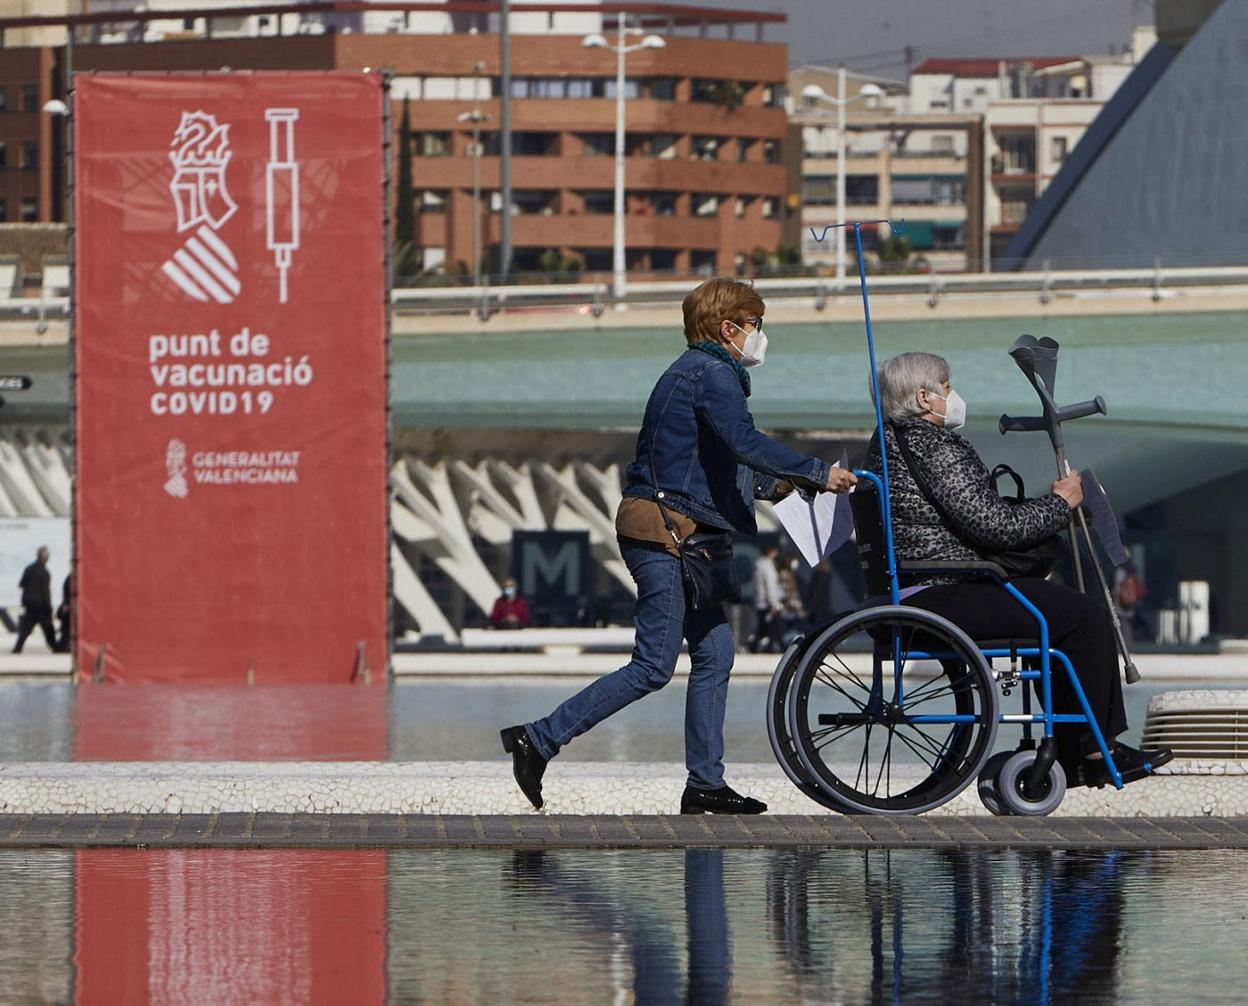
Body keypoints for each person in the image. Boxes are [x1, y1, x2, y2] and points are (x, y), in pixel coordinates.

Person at [501, 277, 856, 814]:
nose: (760, 335)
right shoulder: (712, 373)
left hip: (682, 532)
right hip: (666, 533)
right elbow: (743, 444)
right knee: (653, 665)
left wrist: (787, 484)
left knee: (715, 653)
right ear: (726, 327)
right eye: (755, 324)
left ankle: (704, 784)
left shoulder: (702, 374)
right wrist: (814, 470)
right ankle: (539, 738)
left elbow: (718, 466)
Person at [866, 351, 1172, 787]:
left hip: (920, 583)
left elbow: (974, 517)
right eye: (948, 387)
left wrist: (1045, 509)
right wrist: (1060, 503)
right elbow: (995, 527)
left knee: (1060, 611)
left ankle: (1078, 746)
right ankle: (1091, 749)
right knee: (1082, 618)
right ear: (924, 398)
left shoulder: (889, 441)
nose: (955, 397)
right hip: (944, 588)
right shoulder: (932, 446)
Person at [13, 546, 56, 654]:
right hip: (41, 605)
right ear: (45, 558)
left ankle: (17, 648)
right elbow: (46, 593)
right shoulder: (45, 573)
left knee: (26, 629)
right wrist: (49, 608)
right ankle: (55, 647)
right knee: (48, 628)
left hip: (29, 603)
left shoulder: (29, 569)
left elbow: (21, 584)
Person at [749, 543, 784, 653]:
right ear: (770, 552)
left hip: (760, 602)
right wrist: (774, 603)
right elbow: (770, 586)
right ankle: (779, 647)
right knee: (772, 628)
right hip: (767, 604)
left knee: (764, 628)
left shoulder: (758, 566)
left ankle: (758, 646)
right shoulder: (768, 567)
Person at [55, 573, 71, 653]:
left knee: (66, 631)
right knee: (66, 631)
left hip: (68, 607)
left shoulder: (70, 578)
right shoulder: (71, 578)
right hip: (69, 608)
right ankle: (62, 647)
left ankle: (61, 647)